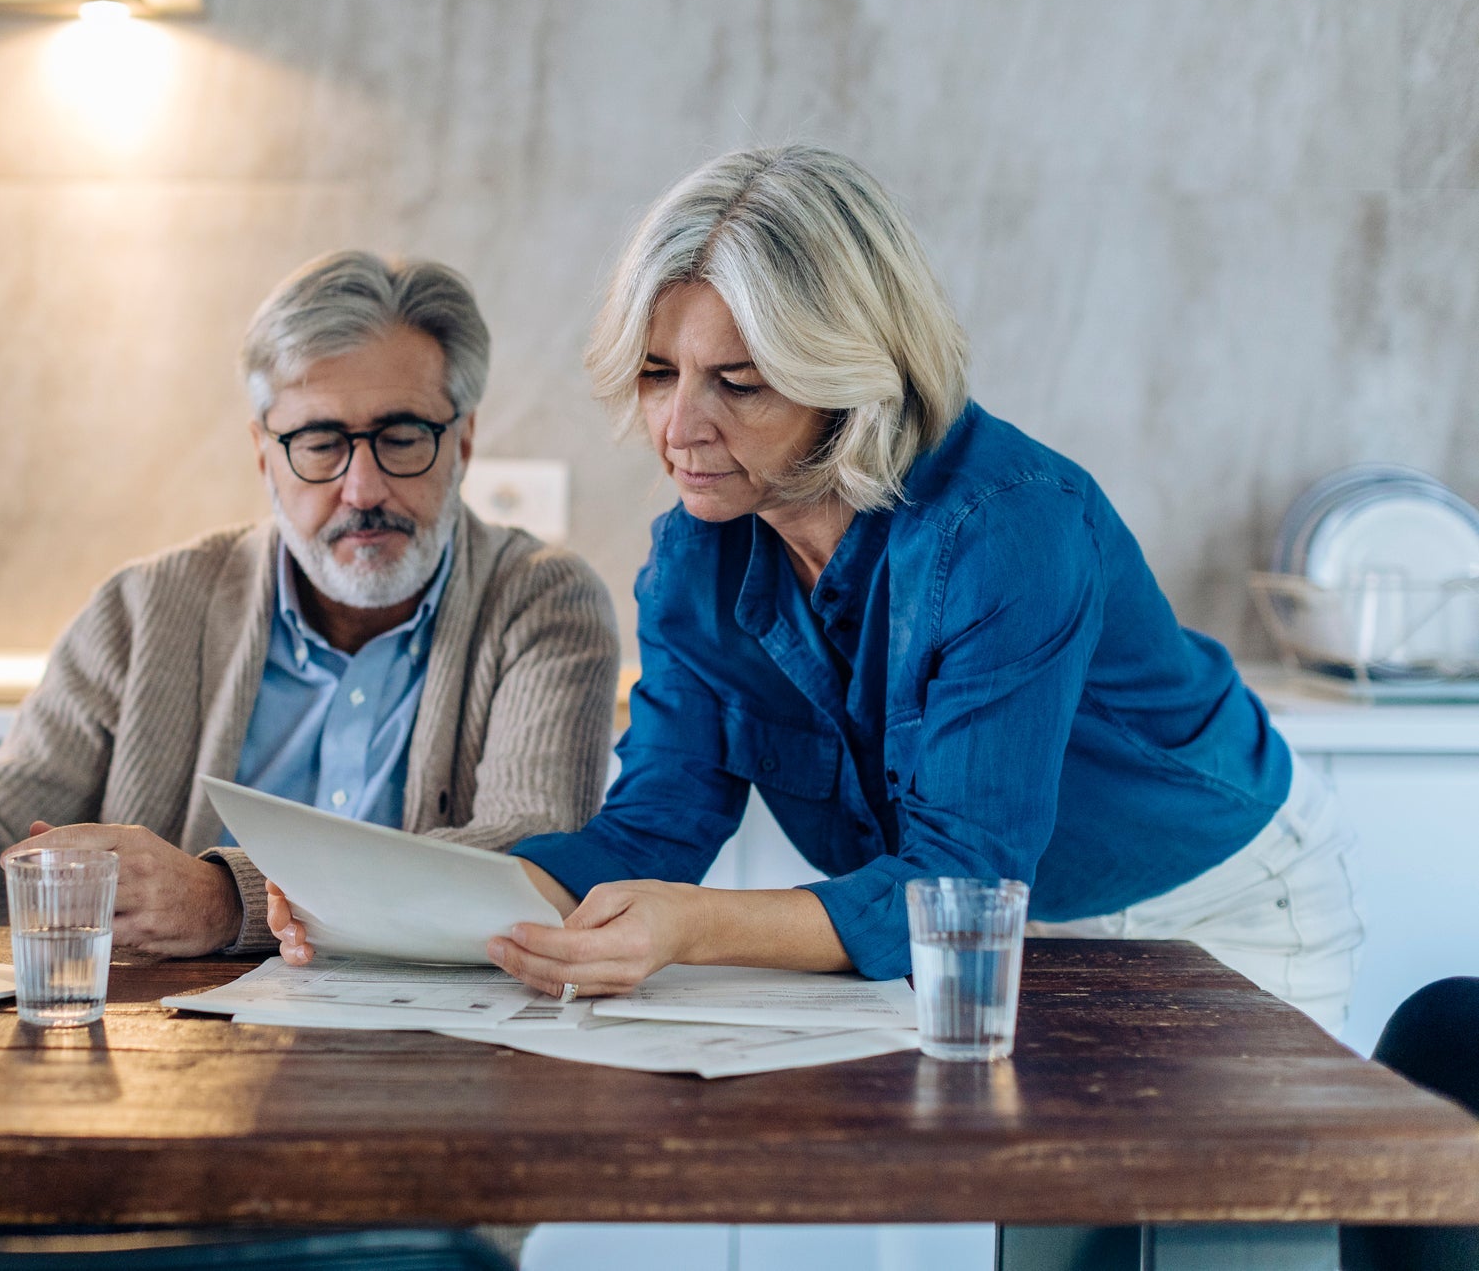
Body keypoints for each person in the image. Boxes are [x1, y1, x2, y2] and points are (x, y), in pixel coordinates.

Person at [276, 147, 1362, 1033]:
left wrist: (693, 928)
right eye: (659, 373)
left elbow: (959, 879)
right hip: (987, 934)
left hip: (1215, 910)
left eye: (737, 383)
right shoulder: (697, 555)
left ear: (849, 375)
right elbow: (652, 830)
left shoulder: (1008, 529)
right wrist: (400, 898)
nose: (678, 426)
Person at [0, 250, 620, 955]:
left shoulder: (541, 602)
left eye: (402, 437)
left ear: (464, 442)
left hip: (439, 1055)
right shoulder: (145, 607)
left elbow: (527, 860)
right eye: (319, 443)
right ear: (262, 452)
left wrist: (227, 900)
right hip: (166, 1060)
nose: (362, 488)